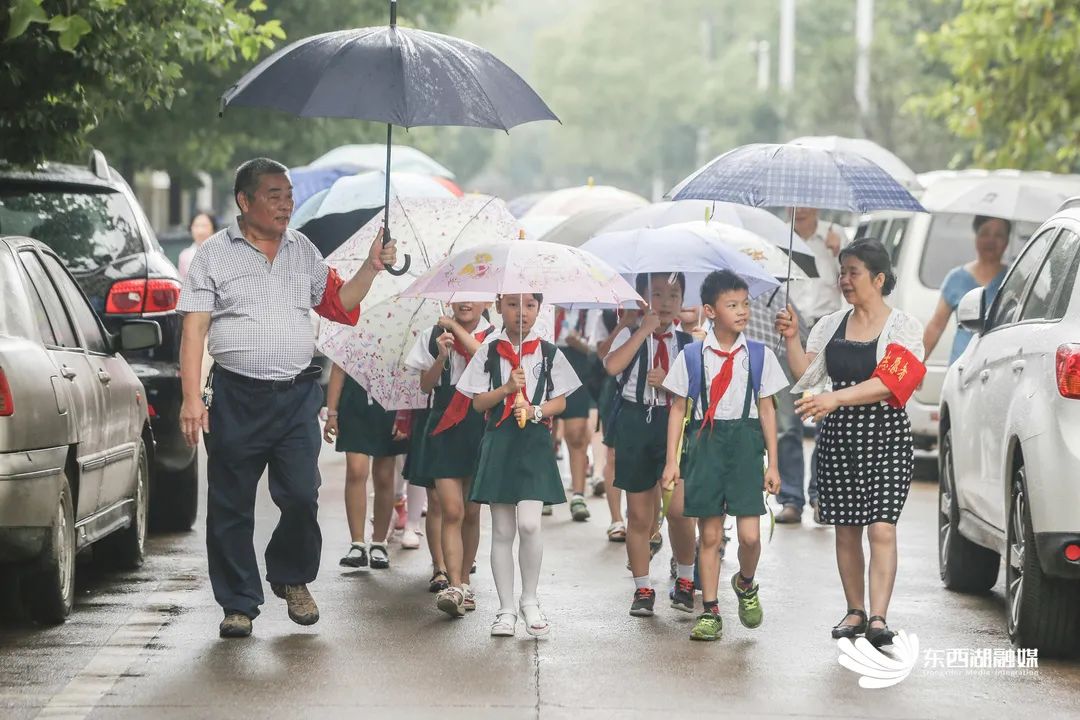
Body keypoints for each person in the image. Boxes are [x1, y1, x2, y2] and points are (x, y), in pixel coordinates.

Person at [178, 157, 396, 639]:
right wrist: (191, 397)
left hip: (297, 395)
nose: (286, 203)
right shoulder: (212, 255)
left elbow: (340, 303)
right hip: (235, 396)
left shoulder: (303, 251)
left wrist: (372, 266)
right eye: (274, 195)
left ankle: (291, 576)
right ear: (245, 200)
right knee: (231, 504)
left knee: (301, 494)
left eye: (288, 194)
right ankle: (238, 604)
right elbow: (194, 327)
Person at [776, 238, 926, 647]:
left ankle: (878, 616)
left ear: (878, 278)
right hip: (839, 438)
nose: (844, 280)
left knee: (881, 527)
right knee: (846, 529)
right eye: (842, 272)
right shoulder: (829, 325)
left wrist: (836, 398)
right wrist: (791, 339)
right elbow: (808, 377)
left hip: (886, 438)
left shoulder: (904, 328)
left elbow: (892, 383)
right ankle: (854, 609)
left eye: (853, 272)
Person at [661, 270, 785, 641]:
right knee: (710, 534)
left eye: (745, 304)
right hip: (705, 445)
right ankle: (711, 611)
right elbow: (677, 410)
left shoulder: (758, 355)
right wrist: (672, 461)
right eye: (733, 305)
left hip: (746, 448)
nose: (742, 311)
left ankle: (745, 583)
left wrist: (773, 463)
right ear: (710, 311)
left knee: (749, 536)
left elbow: (767, 410)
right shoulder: (692, 355)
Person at [456, 293, 581, 637]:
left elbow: (561, 401)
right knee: (501, 530)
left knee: (529, 525)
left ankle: (529, 600)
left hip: (535, 443)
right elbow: (477, 402)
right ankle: (506, 610)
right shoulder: (489, 351)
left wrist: (536, 410)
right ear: (498, 306)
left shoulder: (548, 352)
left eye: (528, 305)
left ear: (539, 308)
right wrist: (508, 389)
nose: (521, 312)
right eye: (512, 304)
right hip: (499, 440)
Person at [604, 273, 697, 618]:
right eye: (657, 294)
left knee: (679, 510)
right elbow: (611, 366)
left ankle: (686, 580)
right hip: (634, 422)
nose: (666, 302)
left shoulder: (689, 343)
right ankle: (643, 587)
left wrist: (669, 381)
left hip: (674, 425)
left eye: (674, 294)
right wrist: (643, 330)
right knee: (640, 515)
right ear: (643, 299)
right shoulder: (629, 335)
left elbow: (697, 394)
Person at [404, 301, 494, 618]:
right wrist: (442, 355)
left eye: (473, 295)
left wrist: (455, 329)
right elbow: (425, 385)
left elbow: (484, 359)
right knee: (450, 510)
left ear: (486, 301)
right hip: (442, 423)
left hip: (479, 424)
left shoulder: (494, 335)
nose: (465, 302)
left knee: (471, 511)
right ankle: (453, 584)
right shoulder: (433, 335)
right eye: (458, 294)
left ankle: (465, 581)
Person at [323, 364, 408, 571]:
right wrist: (332, 412)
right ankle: (357, 544)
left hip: (390, 400)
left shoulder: (401, 332)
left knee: (385, 476)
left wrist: (405, 414)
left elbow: (410, 370)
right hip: (353, 402)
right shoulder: (348, 330)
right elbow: (338, 368)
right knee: (355, 471)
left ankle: (379, 543)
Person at [923, 215, 1011, 364]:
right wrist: (919, 363)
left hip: (998, 366)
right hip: (960, 368)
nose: (991, 240)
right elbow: (936, 325)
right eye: (985, 233)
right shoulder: (956, 278)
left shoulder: (1014, 278)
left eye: (999, 235)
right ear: (976, 237)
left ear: (1007, 241)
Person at [554, 308, 596, 521]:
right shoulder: (538, 301)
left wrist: (579, 343)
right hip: (544, 356)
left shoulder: (588, 305)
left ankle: (578, 495)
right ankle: (544, 492)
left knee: (576, 434)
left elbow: (597, 347)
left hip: (577, 362)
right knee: (545, 431)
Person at [177, 210, 218, 282]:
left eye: (204, 226)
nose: (200, 231)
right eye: (196, 226)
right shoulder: (185, 256)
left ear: (213, 228)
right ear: (191, 228)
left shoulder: (222, 253)